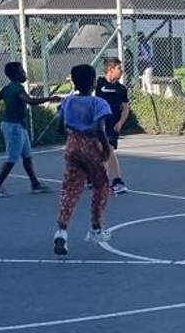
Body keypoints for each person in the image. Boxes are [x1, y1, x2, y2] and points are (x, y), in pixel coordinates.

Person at [53, 64, 113, 257]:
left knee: (70, 188)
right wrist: (105, 148)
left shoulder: (68, 102)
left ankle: (61, 231)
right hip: (90, 145)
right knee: (101, 185)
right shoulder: (98, 103)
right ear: (94, 82)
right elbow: (99, 128)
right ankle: (95, 228)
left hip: (72, 144)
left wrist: (73, 132)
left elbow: (60, 127)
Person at [0, 61, 59, 197]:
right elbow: (30, 101)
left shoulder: (7, 88)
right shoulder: (16, 89)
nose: (24, 73)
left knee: (27, 156)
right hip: (13, 127)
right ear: (16, 74)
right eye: (22, 71)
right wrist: (50, 98)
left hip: (18, 125)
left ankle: (35, 184)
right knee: (12, 158)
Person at [96, 57, 130, 195]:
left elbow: (126, 108)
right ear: (110, 69)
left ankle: (117, 181)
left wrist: (120, 123)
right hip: (98, 124)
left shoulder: (121, 89)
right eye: (119, 68)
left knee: (108, 150)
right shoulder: (98, 84)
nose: (122, 71)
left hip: (112, 125)